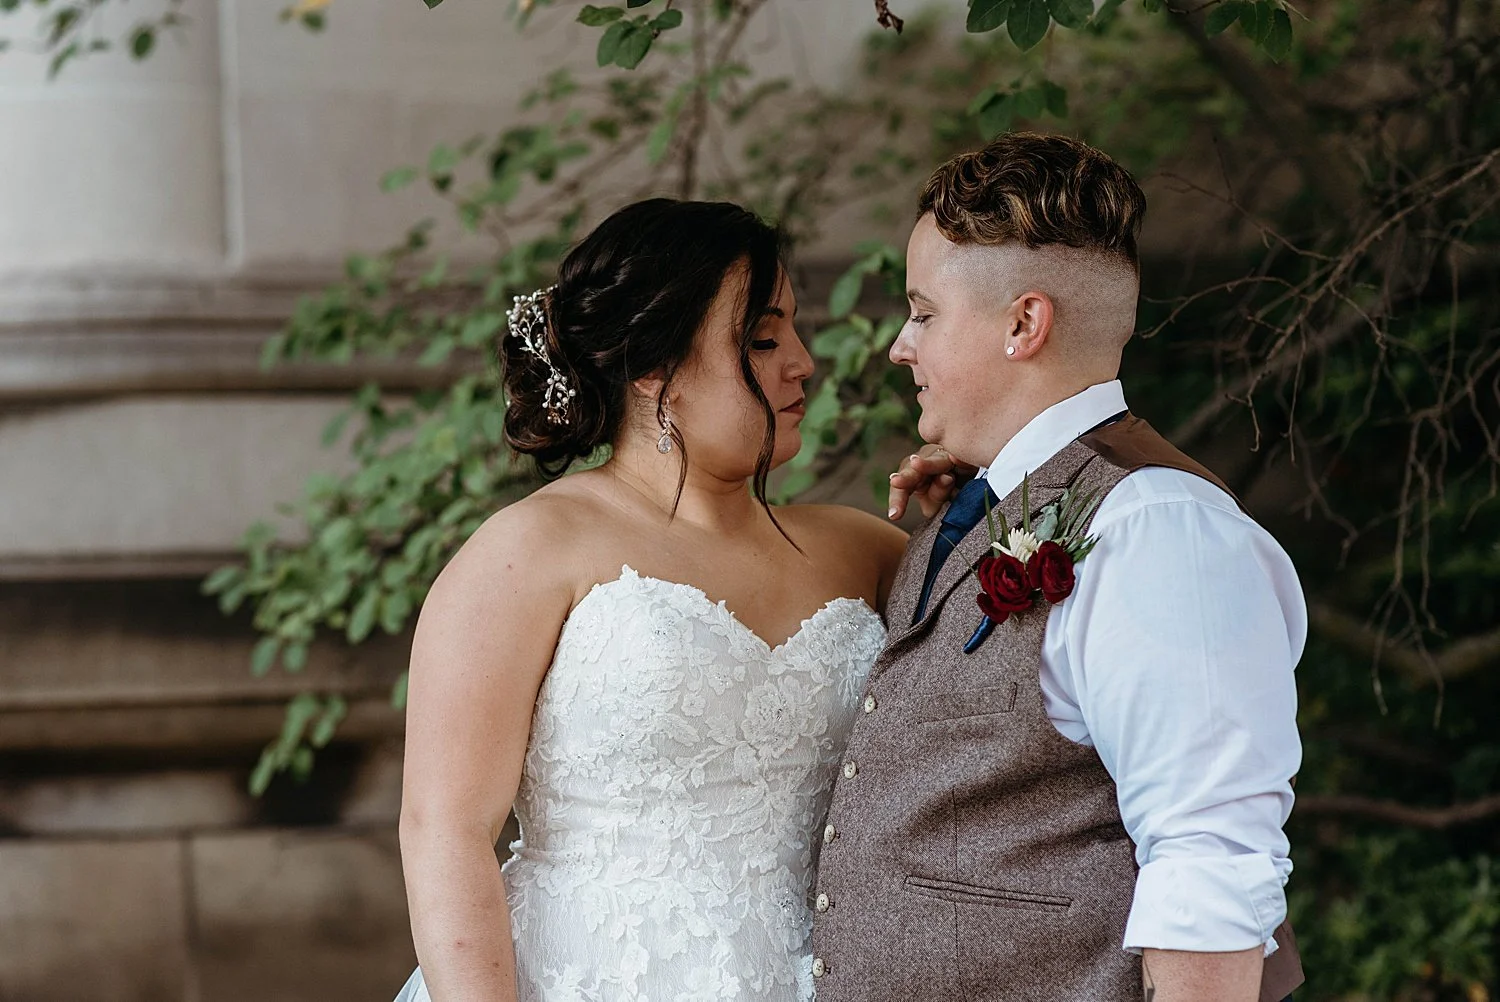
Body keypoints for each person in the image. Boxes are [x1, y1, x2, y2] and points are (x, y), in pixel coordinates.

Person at [809, 133, 1306, 1002]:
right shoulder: (987, 500)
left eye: (923, 313)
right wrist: (971, 513)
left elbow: (1210, 862)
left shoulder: (1159, 530)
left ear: (1022, 324)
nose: (899, 345)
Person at [393, 197, 908, 1002]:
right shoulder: (527, 550)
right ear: (653, 367)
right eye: (763, 338)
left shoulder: (863, 550)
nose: (803, 361)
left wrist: (966, 520)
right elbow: (445, 832)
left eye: (794, 332)